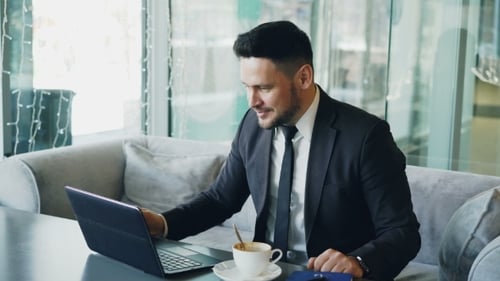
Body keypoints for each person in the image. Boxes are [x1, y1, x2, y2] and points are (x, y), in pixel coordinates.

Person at [142, 20, 420, 281]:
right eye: (246, 88)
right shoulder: (253, 125)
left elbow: (402, 232)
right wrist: (164, 223)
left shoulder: (365, 137)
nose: (252, 101)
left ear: (303, 77)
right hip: (266, 273)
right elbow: (220, 200)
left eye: (264, 88)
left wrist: (358, 261)